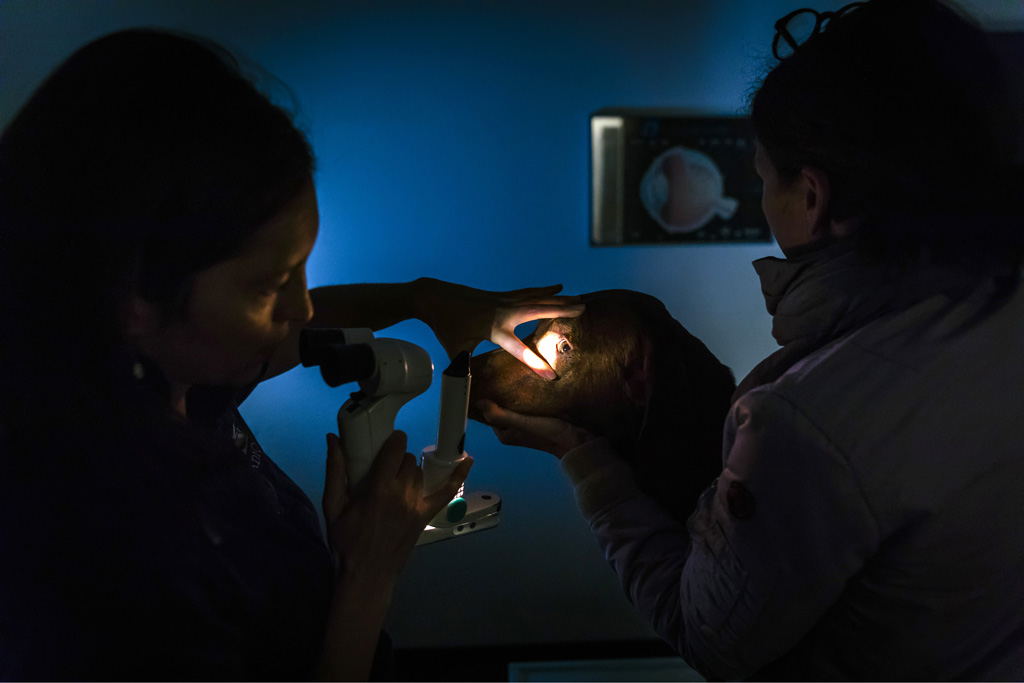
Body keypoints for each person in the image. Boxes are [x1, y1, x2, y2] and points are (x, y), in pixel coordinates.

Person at [0, 29, 582, 681]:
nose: (302, 309)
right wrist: (369, 573)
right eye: (271, 285)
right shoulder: (103, 563)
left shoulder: (173, 376)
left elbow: (305, 323)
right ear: (134, 292)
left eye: (302, 266)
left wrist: (419, 299)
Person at [480, 0, 1024, 679]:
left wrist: (587, 464)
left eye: (764, 177)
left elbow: (708, 634)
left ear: (813, 198)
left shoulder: (806, 425)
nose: (762, 199)